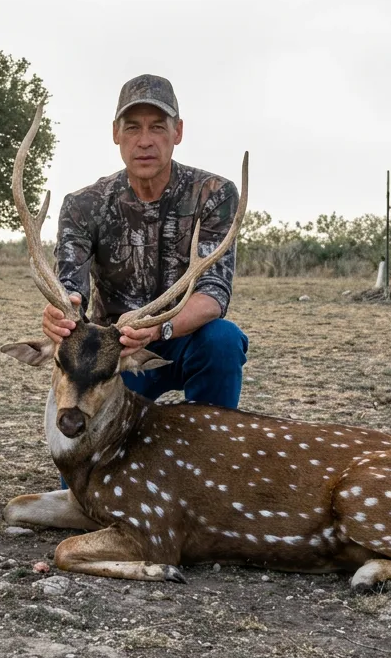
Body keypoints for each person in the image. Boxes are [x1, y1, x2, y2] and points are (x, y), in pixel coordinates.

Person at [43, 73, 248, 410]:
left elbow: (213, 294)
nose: (145, 141)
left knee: (223, 340)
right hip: (114, 352)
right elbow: (70, 287)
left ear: (177, 132)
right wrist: (60, 311)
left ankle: (212, 444)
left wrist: (159, 329)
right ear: (115, 133)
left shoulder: (214, 194)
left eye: (157, 127)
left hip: (184, 337)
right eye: (133, 127)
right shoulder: (83, 205)